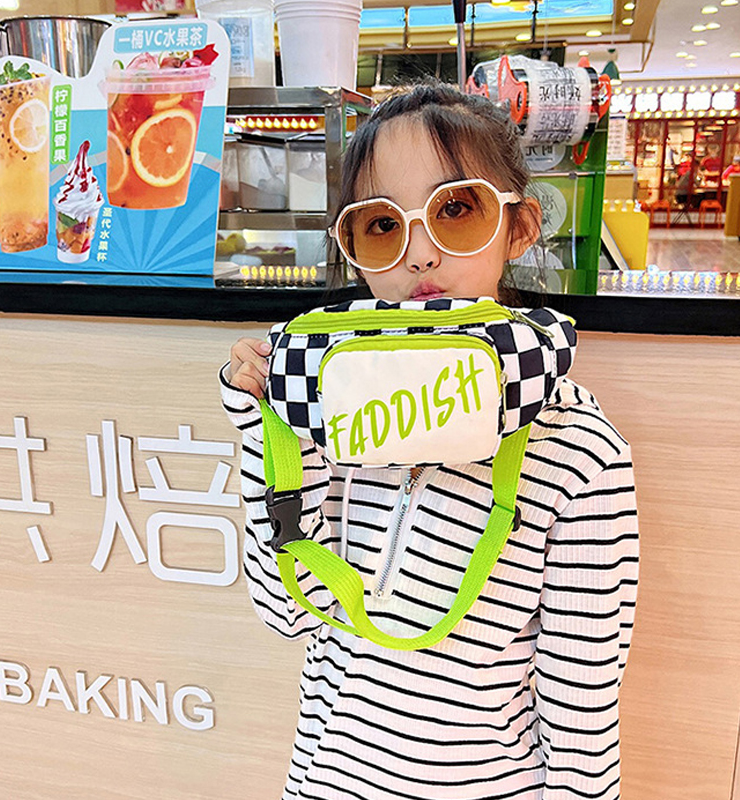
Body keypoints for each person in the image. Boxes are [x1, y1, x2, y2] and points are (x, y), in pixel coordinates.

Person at [220, 84, 639, 800]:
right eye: (382, 225)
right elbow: (286, 611)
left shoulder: (580, 450)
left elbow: (582, 711)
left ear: (520, 227)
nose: (418, 254)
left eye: (455, 209)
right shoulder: (328, 410)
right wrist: (273, 426)